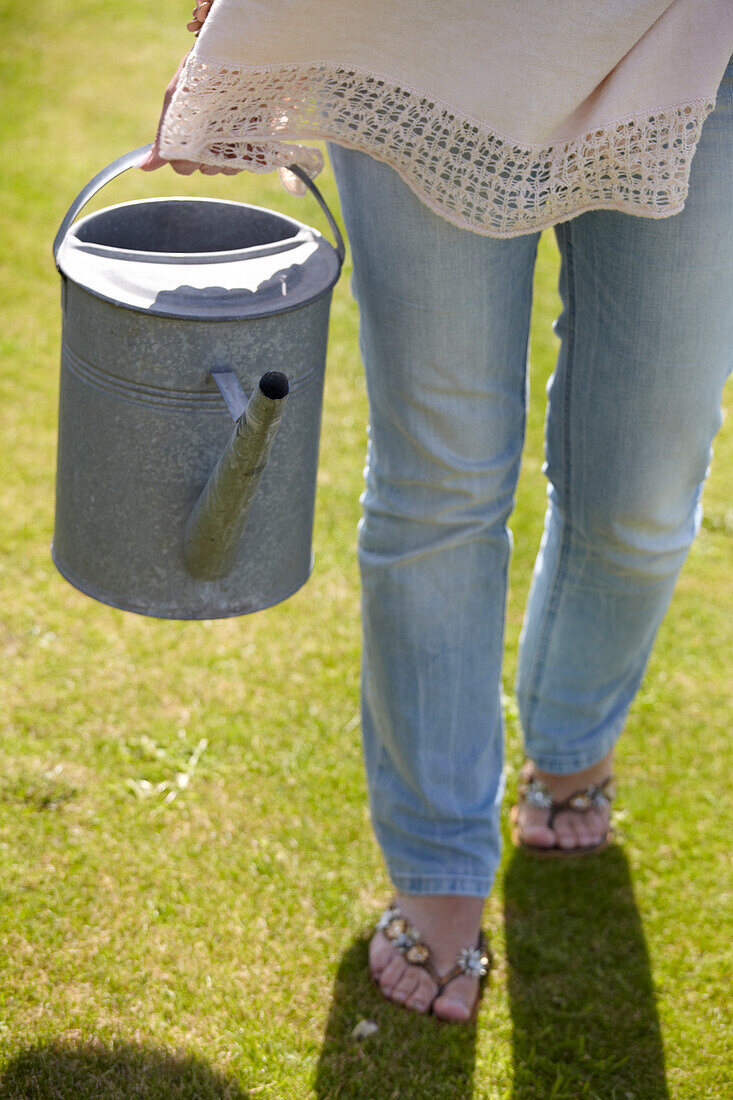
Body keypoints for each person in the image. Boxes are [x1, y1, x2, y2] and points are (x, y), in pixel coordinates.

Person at [144, 1, 733, 1022]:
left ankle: (571, 740)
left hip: (685, 39)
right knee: (441, 474)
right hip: (422, 29)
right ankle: (438, 863)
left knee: (642, 483)